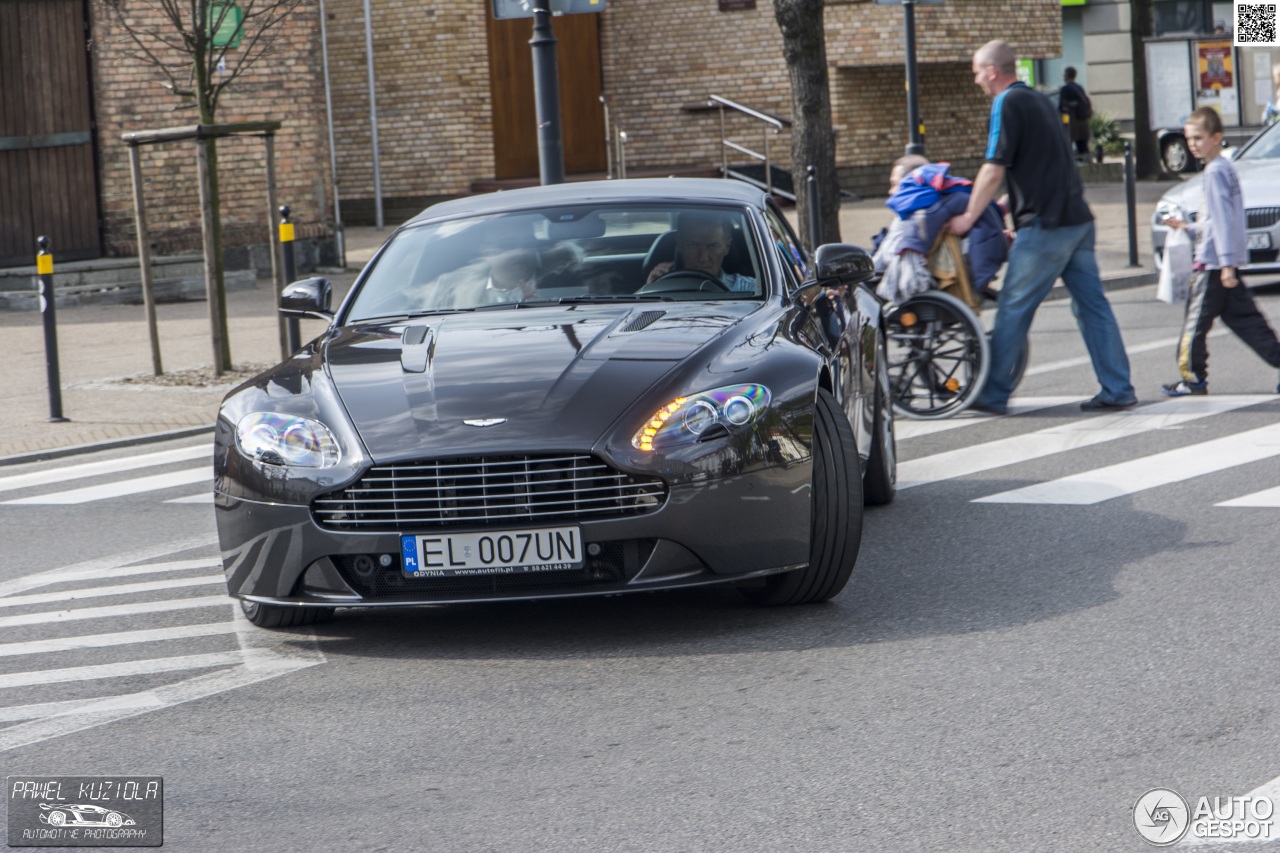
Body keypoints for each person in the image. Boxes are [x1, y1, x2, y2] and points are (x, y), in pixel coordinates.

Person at [948, 40, 1136, 414]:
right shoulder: (1039, 100)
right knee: (1092, 307)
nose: (975, 81)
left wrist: (969, 216)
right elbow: (1043, 163)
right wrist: (1007, 204)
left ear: (991, 71)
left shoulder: (1006, 103)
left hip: (1047, 227)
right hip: (1077, 221)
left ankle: (993, 391)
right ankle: (1118, 388)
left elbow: (994, 167)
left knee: (1013, 307)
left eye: (976, 73)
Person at [1160, 107, 1280, 396]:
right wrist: (1188, 228)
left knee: (1195, 325)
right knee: (1249, 323)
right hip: (1222, 263)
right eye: (1190, 139)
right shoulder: (1224, 169)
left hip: (1212, 265)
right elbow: (1216, 221)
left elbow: (1224, 222)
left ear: (1216, 138)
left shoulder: (1215, 172)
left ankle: (1193, 379)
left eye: (1199, 138)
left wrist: (1226, 264)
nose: (1193, 145)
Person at [645, 211, 757, 292]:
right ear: (679, 244)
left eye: (712, 246)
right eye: (693, 246)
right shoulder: (661, 286)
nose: (703, 257)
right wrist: (650, 289)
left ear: (727, 247)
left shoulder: (751, 289)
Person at [1058, 67, 1091, 161]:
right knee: (1082, 146)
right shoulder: (1079, 87)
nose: (1063, 77)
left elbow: (1063, 107)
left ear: (1067, 76)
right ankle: (1087, 162)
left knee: (1068, 144)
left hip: (1072, 122)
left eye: (1064, 75)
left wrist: (1064, 122)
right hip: (1082, 121)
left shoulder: (1065, 89)